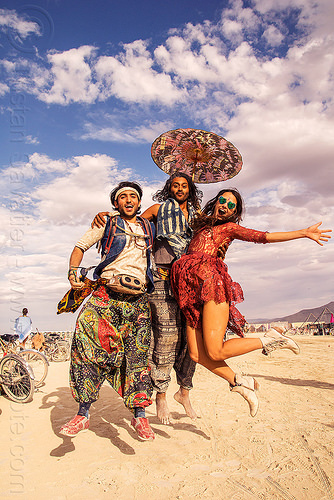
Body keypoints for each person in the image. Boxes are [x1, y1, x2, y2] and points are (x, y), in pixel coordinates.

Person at [170, 188, 331, 416]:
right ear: (216, 202)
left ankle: (268, 338)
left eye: (231, 205)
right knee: (196, 355)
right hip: (189, 293)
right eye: (222, 200)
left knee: (215, 353)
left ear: (234, 213)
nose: (225, 205)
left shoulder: (229, 228)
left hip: (212, 288)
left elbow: (263, 237)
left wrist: (303, 233)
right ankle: (240, 384)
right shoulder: (200, 225)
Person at [93, 173, 202, 424]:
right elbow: (131, 220)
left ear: (190, 189)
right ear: (169, 188)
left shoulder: (197, 217)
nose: (180, 189)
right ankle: (161, 395)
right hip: (162, 280)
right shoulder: (159, 209)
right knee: (165, 338)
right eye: (175, 185)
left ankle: (184, 392)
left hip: (190, 283)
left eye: (184, 185)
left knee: (191, 340)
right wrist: (106, 215)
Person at [59, 182, 156, 441]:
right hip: (104, 297)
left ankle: (140, 417)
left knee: (137, 357)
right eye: (122, 196)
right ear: (115, 203)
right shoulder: (108, 224)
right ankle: (83, 414)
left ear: (139, 202)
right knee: (85, 347)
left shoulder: (149, 227)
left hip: (137, 303)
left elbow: (167, 210)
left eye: (133, 196)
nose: (128, 200)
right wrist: (72, 272)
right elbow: (80, 247)